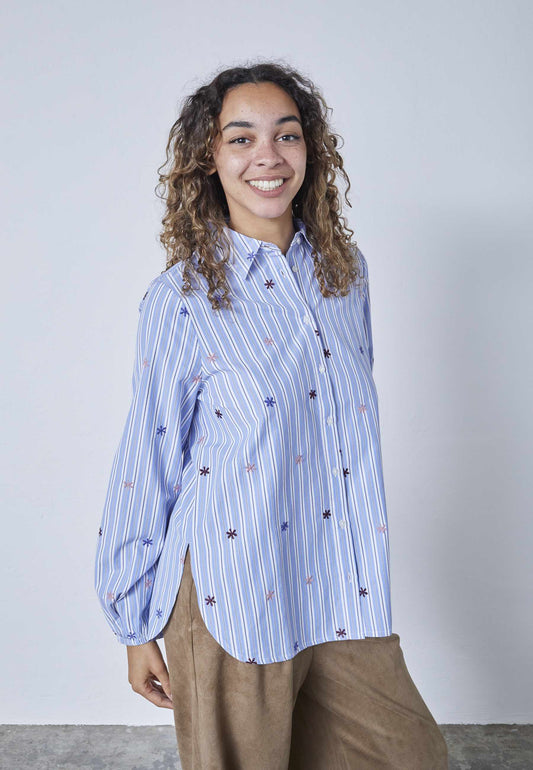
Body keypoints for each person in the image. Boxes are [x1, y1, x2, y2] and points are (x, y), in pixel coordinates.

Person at [94, 60, 449, 770]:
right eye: (241, 138)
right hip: (233, 589)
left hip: (340, 584)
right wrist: (134, 625)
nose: (268, 156)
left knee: (410, 755)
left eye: (286, 135)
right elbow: (148, 457)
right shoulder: (182, 299)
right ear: (208, 158)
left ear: (309, 150)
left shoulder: (344, 274)